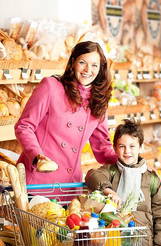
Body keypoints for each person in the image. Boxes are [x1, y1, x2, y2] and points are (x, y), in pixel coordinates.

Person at [15, 41, 118, 186]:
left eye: (95, 65)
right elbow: (24, 126)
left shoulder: (99, 100)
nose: (88, 69)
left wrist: (126, 161)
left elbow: (102, 147)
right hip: (38, 179)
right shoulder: (51, 86)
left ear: (101, 69)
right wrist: (37, 156)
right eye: (83, 62)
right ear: (73, 62)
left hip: (70, 184)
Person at [85, 119, 161, 246]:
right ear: (114, 148)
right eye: (122, 146)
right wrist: (108, 190)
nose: (127, 151)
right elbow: (92, 175)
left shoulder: (150, 179)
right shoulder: (111, 172)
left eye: (132, 146)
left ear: (140, 147)